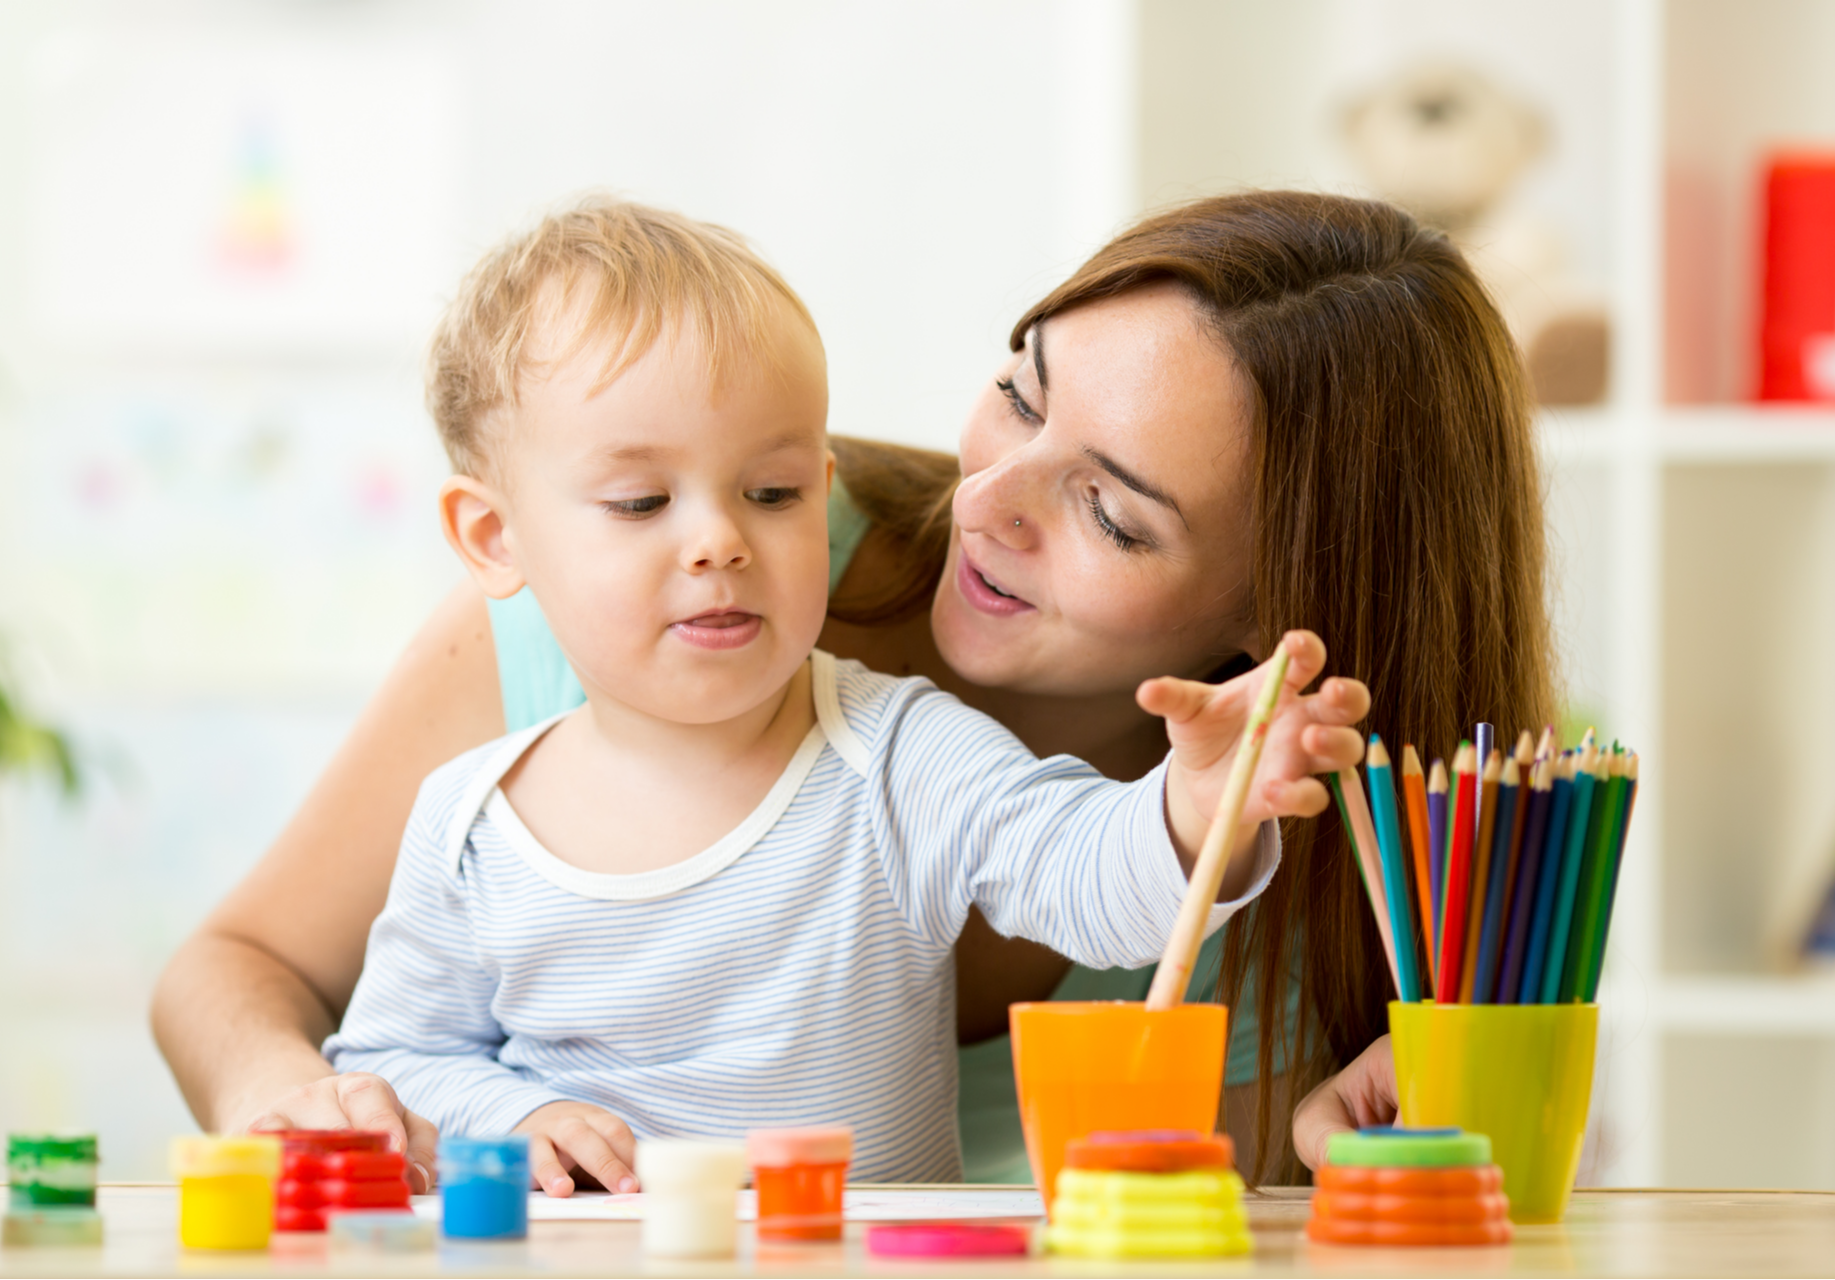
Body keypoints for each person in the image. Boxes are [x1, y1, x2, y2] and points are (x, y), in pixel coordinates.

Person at [151, 189, 1554, 1188]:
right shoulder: (570, 657)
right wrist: (422, 1111)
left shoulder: (917, 755)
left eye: (1114, 515)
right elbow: (374, 1033)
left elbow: (1093, 878)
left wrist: (1199, 815)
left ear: (1277, 618)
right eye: (1020, 388)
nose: (987, 500)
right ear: (500, 536)